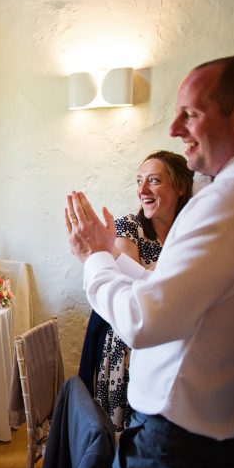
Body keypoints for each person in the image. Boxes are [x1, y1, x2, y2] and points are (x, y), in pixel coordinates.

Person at [65, 55, 234, 468]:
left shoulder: (231, 199)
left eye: (191, 113)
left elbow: (145, 320)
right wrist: (113, 259)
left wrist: (94, 256)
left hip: (182, 454)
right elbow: (185, 295)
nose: (174, 129)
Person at [79, 151, 194, 433]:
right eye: (139, 181)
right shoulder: (129, 227)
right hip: (131, 336)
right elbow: (133, 292)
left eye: (153, 181)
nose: (142, 190)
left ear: (180, 187)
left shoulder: (192, 230)